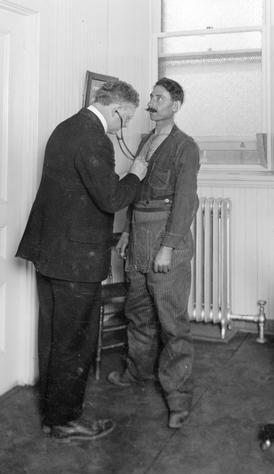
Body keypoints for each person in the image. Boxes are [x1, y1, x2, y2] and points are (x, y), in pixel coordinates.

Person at [16, 80, 148, 441]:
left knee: (55, 336)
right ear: (117, 108)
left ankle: (52, 414)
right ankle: (66, 421)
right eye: (128, 117)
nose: (125, 125)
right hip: (76, 260)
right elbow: (111, 198)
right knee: (75, 341)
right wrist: (135, 174)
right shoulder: (95, 138)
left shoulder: (64, 127)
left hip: (50, 254)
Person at [106, 77, 200, 430]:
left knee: (172, 323)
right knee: (139, 313)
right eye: (151, 96)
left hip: (165, 242)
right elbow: (136, 190)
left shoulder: (184, 146)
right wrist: (129, 232)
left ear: (175, 106)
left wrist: (168, 247)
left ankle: (179, 398)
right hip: (140, 236)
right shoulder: (146, 141)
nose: (151, 102)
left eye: (159, 97)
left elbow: (186, 201)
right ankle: (137, 373)